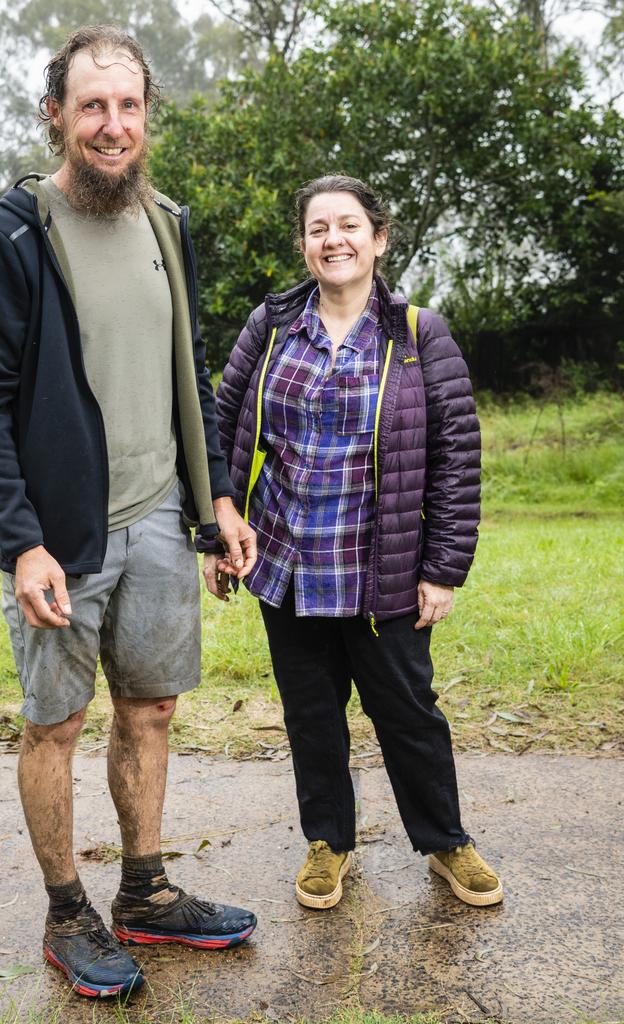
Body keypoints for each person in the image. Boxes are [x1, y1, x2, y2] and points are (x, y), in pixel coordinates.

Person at [0, 25, 257, 1000]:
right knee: (57, 721)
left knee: (152, 708)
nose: (112, 125)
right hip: (63, 537)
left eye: (128, 106)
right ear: (58, 115)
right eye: (93, 106)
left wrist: (214, 498)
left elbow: (187, 372)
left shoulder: (168, 222)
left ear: (147, 117)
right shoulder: (11, 236)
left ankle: (146, 891)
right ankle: (66, 907)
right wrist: (23, 540)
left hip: (163, 519)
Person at [204, 174, 502, 913]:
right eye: (317, 229)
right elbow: (223, 426)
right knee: (311, 713)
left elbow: (457, 456)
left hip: (386, 570)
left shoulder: (418, 334)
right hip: (288, 561)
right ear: (304, 244)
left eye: (348, 226)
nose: (333, 240)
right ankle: (329, 843)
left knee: (409, 712)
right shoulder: (271, 328)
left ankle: (446, 843)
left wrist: (443, 569)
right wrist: (217, 530)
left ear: (378, 238)